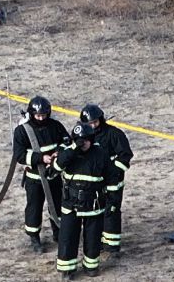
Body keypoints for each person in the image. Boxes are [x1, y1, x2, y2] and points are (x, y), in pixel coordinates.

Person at [13, 95, 69, 253]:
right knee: (34, 208)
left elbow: (66, 142)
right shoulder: (22, 131)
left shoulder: (55, 126)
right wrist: (40, 158)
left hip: (54, 176)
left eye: (44, 115)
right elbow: (19, 155)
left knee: (58, 205)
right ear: (31, 114)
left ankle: (58, 232)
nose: (41, 118)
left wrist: (58, 153)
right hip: (34, 179)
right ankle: (34, 237)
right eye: (38, 115)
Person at [54, 122, 109, 279]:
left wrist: (111, 200)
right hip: (71, 204)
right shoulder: (67, 152)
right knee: (68, 237)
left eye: (85, 140)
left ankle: (91, 266)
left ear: (91, 139)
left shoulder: (100, 153)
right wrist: (73, 148)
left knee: (92, 236)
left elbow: (110, 176)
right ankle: (67, 269)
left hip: (93, 203)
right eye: (79, 140)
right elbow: (57, 166)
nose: (82, 144)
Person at [80, 104, 133, 254]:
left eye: (95, 122)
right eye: (90, 123)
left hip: (112, 183)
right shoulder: (83, 137)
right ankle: (98, 242)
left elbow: (125, 156)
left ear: (101, 119)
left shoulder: (114, 134)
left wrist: (112, 172)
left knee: (111, 211)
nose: (93, 126)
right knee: (96, 212)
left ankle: (112, 246)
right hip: (94, 183)